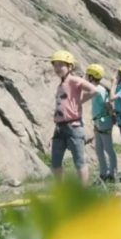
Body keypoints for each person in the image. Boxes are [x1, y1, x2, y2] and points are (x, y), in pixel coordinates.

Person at [50, 50, 98, 183]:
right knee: (55, 163)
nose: (58, 68)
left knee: (79, 161)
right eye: (56, 65)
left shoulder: (74, 80)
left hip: (73, 126)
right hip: (59, 127)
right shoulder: (61, 84)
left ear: (70, 67)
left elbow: (93, 90)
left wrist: (81, 101)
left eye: (61, 65)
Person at [85, 63, 117, 183]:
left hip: (103, 121)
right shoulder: (98, 88)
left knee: (108, 148)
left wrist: (112, 115)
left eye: (87, 75)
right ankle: (103, 173)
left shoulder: (98, 89)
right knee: (99, 149)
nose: (86, 77)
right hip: (98, 121)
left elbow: (107, 104)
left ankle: (112, 174)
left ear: (92, 77)